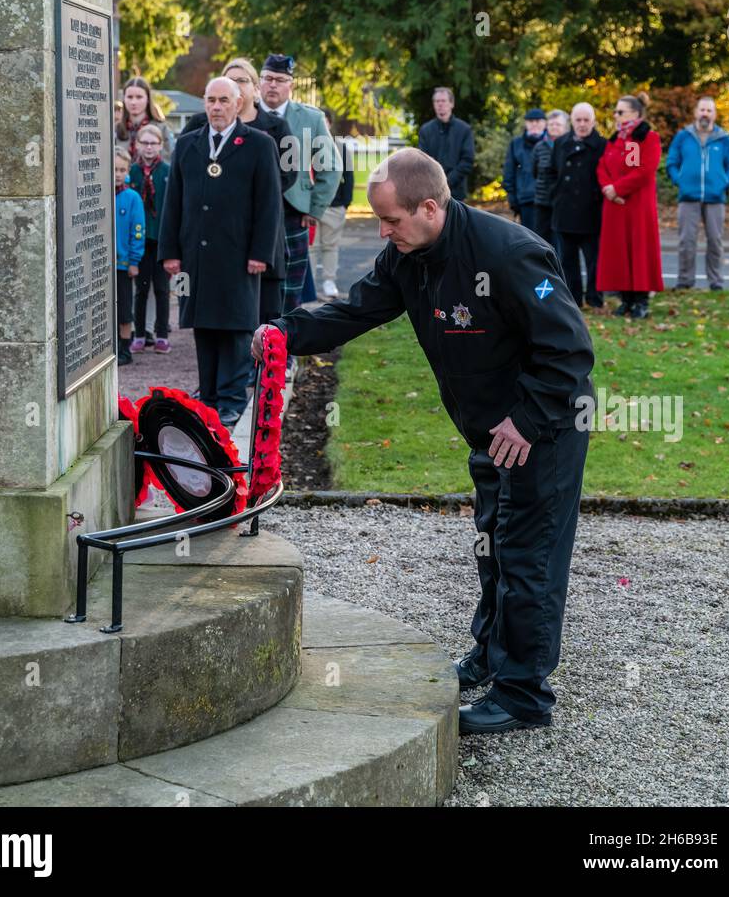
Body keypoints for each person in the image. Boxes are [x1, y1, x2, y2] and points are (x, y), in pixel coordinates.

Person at [252, 148, 594, 735]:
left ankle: (523, 694)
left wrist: (528, 421)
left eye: (391, 222)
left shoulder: (508, 254)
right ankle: (491, 655)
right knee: (493, 544)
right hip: (490, 432)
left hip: (543, 432)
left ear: (430, 207)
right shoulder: (409, 257)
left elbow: (570, 348)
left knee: (528, 557)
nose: (384, 233)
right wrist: (286, 331)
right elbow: (356, 309)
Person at [158, 76, 282, 427]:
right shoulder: (188, 144)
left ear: (238, 102)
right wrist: (170, 251)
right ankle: (209, 395)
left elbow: (269, 203)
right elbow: (174, 202)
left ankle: (230, 398)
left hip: (239, 253)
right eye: (210, 100)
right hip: (196, 253)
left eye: (224, 100)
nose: (216, 107)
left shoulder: (258, 144)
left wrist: (261, 251)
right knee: (204, 324)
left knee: (236, 326)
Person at [182, 57, 291, 322]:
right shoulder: (199, 125)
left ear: (254, 88)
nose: (235, 85)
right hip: (212, 239)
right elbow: (183, 174)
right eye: (229, 80)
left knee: (264, 320)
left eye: (242, 80)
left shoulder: (276, 128)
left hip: (259, 235)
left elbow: (288, 175)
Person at [258, 54, 341, 314]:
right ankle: (249, 349)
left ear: (290, 85)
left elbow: (331, 167)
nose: (273, 85)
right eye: (268, 78)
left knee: (289, 291)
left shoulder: (311, 118)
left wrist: (314, 209)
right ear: (259, 81)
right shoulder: (244, 114)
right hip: (250, 213)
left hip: (294, 213)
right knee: (250, 287)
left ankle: (287, 349)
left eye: (280, 80)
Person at [596, 93, 663, 319]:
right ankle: (625, 299)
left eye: (620, 111)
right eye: (616, 111)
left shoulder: (647, 137)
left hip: (636, 206)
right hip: (616, 206)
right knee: (619, 254)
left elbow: (643, 170)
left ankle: (641, 301)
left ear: (635, 114)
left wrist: (618, 189)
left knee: (639, 252)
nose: (616, 115)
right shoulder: (616, 138)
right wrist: (608, 188)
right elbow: (602, 166)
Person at [666, 96, 729, 291]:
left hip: (715, 198)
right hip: (688, 197)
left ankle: (715, 282)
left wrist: (725, 183)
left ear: (714, 114)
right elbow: (671, 162)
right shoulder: (683, 136)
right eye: (702, 110)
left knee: (715, 241)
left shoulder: (724, 139)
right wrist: (679, 181)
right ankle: (684, 281)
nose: (705, 113)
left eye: (709, 110)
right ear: (696, 112)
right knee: (686, 241)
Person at [549, 103, 606, 309]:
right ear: (572, 121)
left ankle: (595, 298)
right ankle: (574, 299)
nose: (582, 124)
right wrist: (555, 195)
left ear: (593, 121)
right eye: (578, 120)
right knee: (567, 261)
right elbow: (551, 172)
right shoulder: (561, 143)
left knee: (594, 262)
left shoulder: (602, 145)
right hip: (564, 211)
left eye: (586, 120)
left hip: (591, 212)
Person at [129, 123, 171, 354]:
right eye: (144, 143)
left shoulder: (167, 171)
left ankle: (162, 333)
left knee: (162, 289)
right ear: (137, 145)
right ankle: (140, 334)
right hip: (140, 239)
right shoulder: (131, 173)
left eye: (153, 143)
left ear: (160, 145)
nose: (149, 147)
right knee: (141, 288)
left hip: (162, 237)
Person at [312, 108, 355, 297]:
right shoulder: (304, 145)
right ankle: (310, 284)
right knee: (311, 248)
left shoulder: (340, 146)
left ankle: (329, 281)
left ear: (329, 123)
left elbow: (349, 176)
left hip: (334, 205)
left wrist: (345, 202)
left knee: (330, 245)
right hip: (311, 207)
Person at [114, 146, 145, 367]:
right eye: (113, 168)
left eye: (121, 169)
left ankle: (125, 347)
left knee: (124, 308)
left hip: (123, 264)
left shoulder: (132, 197)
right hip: (103, 265)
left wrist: (134, 260)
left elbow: (138, 229)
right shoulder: (99, 194)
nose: (117, 173)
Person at [417, 87, 475, 201]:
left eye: (443, 101)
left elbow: (467, 160)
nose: (440, 104)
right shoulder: (426, 130)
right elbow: (423, 160)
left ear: (451, 104)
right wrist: (436, 182)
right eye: (437, 101)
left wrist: (447, 181)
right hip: (432, 191)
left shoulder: (464, 129)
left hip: (457, 192)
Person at [502, 108, 547, 232]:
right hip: (526, 199)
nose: (534, 124)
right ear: (526, 123)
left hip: (549, 200)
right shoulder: (516, 144)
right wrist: (512, 197)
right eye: (531, 121)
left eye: (538, 121)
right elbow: (508, 172)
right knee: (531, 238)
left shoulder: (552, 142)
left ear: (544, 123)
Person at [531, 108, 569, 247]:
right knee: (541, 241)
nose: (554, 127)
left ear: (565, 127)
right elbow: (534, 171)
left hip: (564, 203)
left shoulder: (570, 146)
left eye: (557, 124)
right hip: (542, 202)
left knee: (562, 243)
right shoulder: (539, 147)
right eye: (551, 124)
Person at [116, 76, 174, 162]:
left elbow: (169, 161)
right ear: (124, 99)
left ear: (147, 99)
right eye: (129, 97)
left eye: (139, 97)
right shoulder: (115, 129)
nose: (133, 102)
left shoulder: (162, 129)